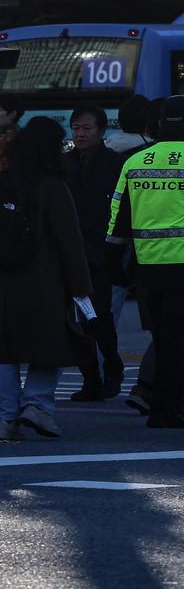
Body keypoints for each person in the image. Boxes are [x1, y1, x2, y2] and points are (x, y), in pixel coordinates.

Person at [0, 118, 92, 441]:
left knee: (4, 353)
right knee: (48, 346)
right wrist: (81, 287)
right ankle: (37, 407)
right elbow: (70, 241)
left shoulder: (0, 180)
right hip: (43, 282)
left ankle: (3, 418)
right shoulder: (53, 186)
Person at [108, 95, 184, 428]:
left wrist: (114, 262)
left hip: (148, 269)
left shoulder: (137, 161)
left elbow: (117, 218)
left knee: (166, 339)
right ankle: (170, 407)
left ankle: (162, 408)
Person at [63, 104, 126, 401]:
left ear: (102, 130)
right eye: (76, 128)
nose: (80, 133)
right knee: (76, 321)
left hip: (101, 250)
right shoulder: (64, 163)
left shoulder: (115, 163)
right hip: (70, 250)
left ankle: (112, 367)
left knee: (100, 316)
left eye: (87, 128)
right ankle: (91, 380)